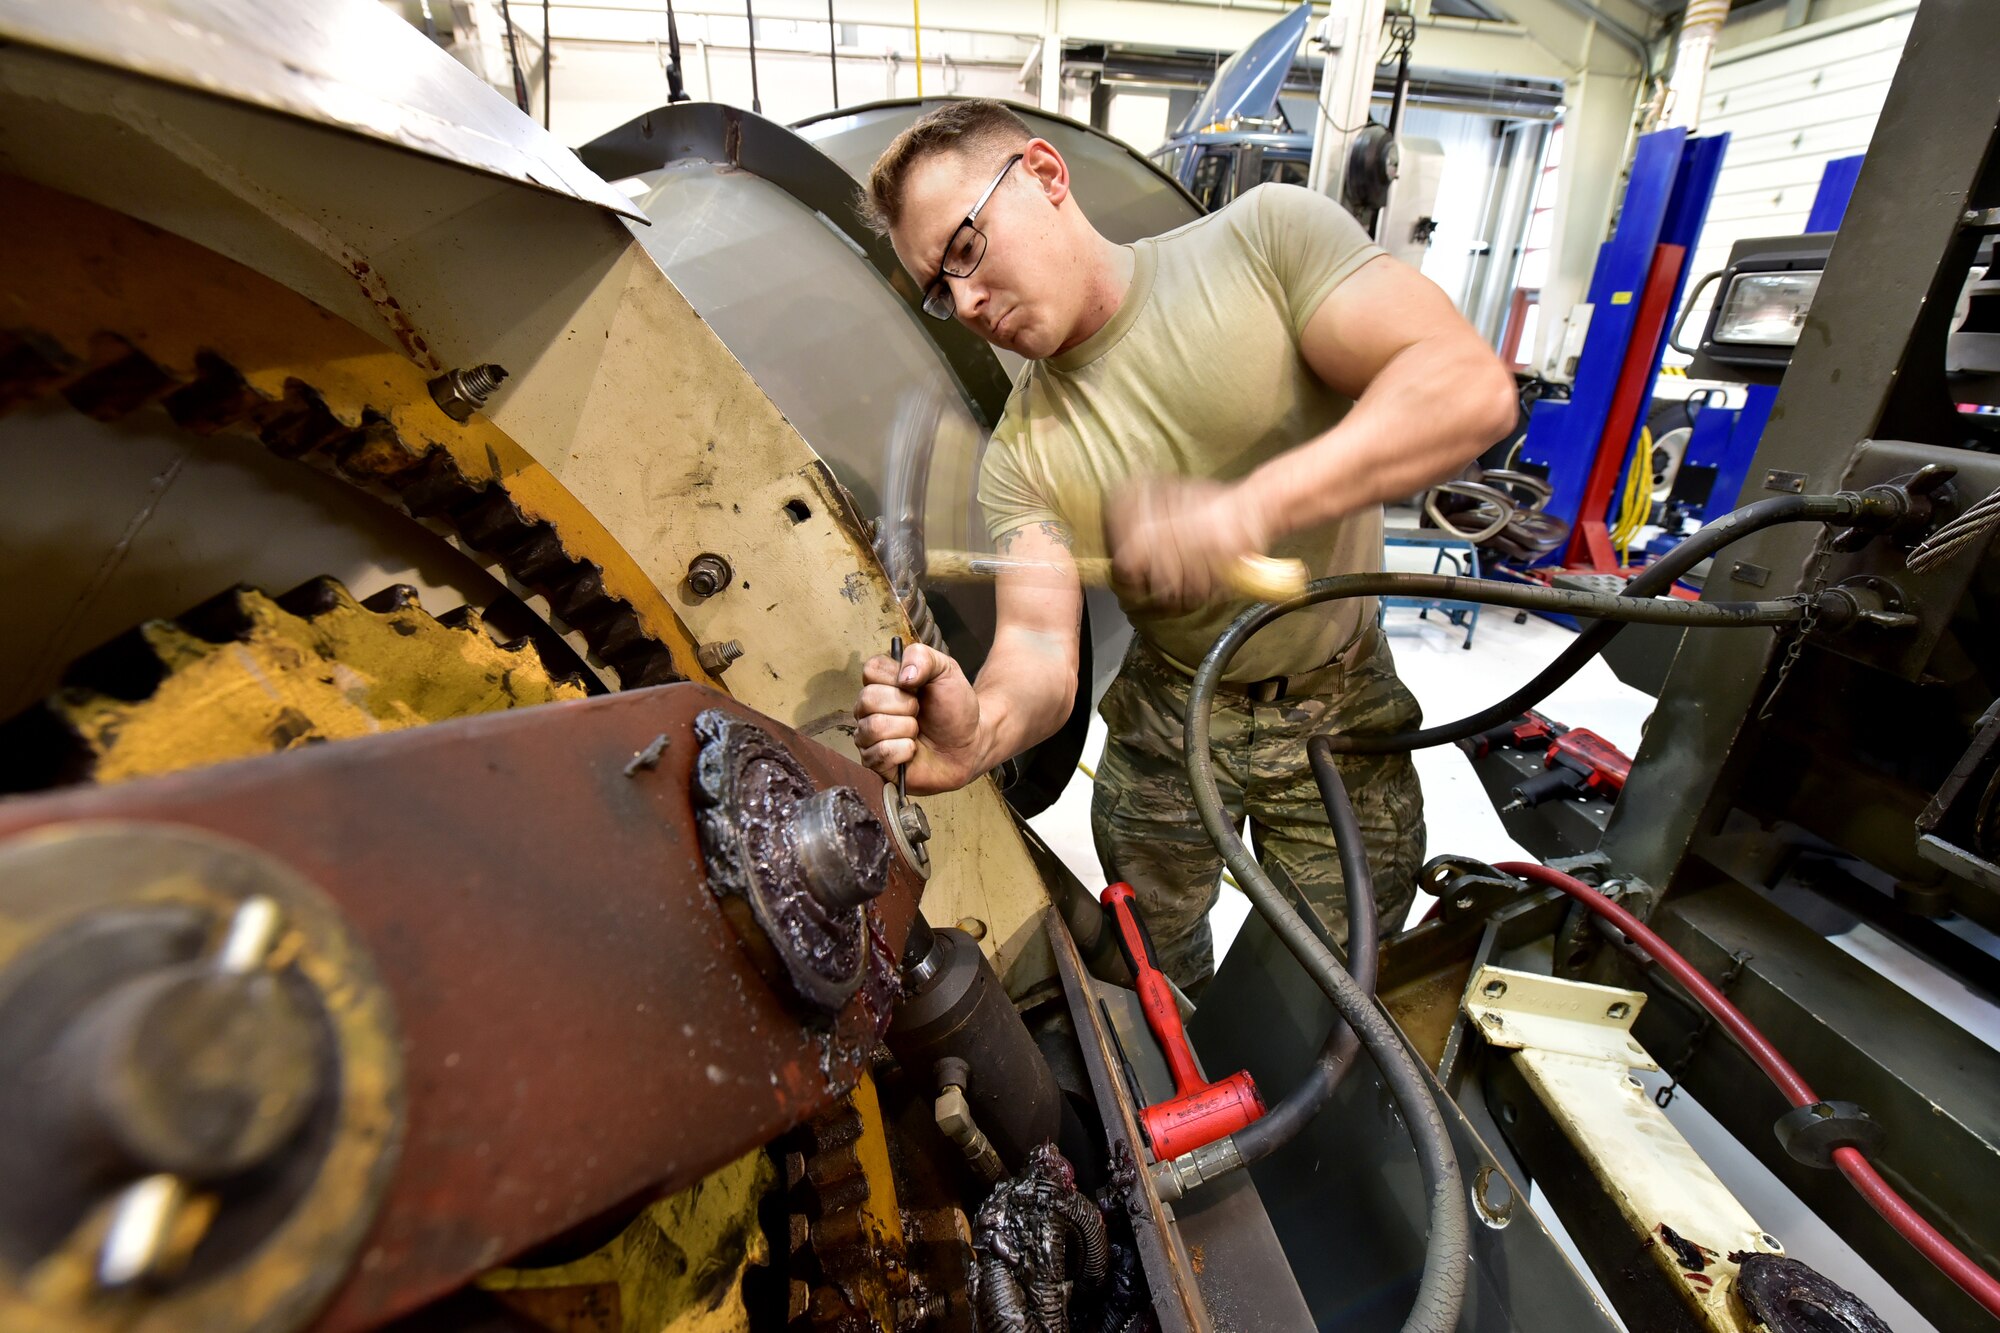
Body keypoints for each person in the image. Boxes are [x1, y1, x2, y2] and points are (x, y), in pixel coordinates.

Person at [851, 100, 1516, 990]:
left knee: (1328, 987)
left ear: (1047, 176)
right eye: (940, 288)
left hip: (1337, 697)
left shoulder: (1266, 246)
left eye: (965, 249)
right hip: (1174, 708)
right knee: (1152, 975)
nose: (964, 301)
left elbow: (1466, 387)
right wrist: (980, 731)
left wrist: (1245, 509)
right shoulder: (1023, 451)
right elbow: (1041, 649)